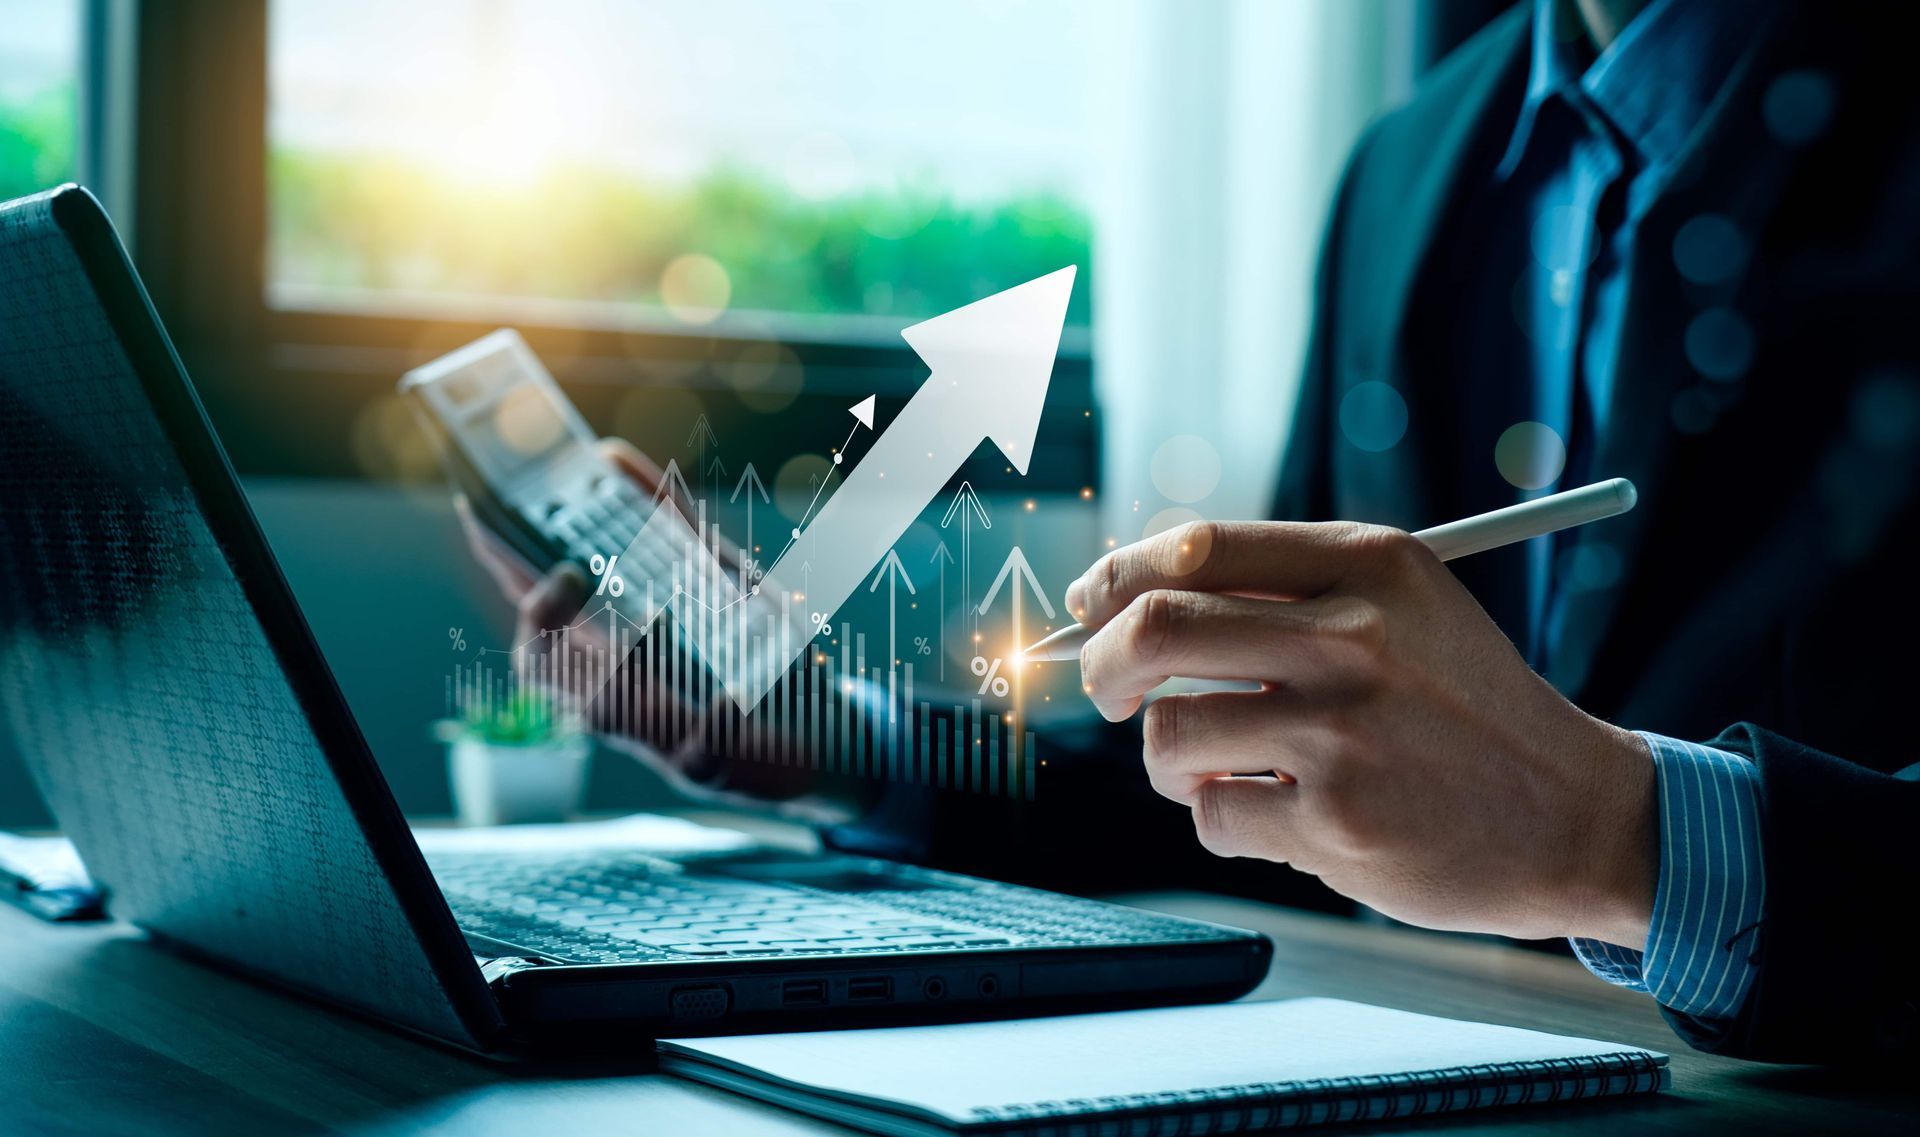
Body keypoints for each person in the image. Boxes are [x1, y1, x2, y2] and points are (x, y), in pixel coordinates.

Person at [467, 0, 1920, 1064]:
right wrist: (819, 728)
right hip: (1436, 1067)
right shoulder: (1409, 165)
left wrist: (1624, 836)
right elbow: (1259, 753)